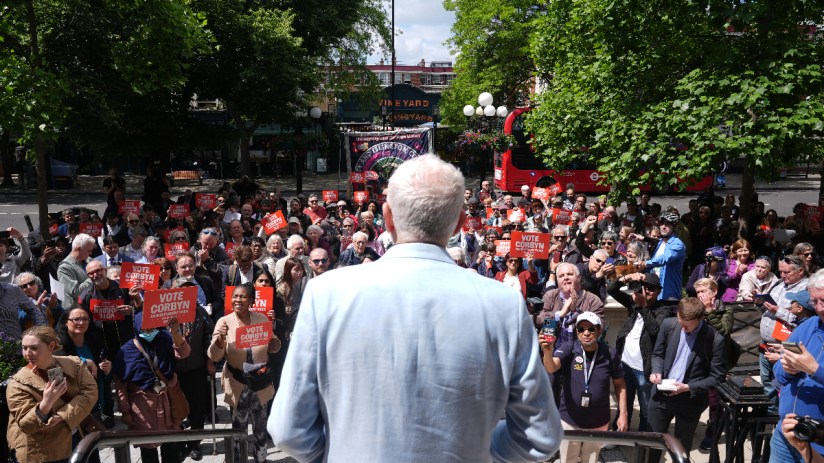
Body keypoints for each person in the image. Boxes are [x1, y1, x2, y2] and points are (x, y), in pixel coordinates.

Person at [268, 154, 561, 462]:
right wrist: (479, 448)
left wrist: (340, 450)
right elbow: (540, 436)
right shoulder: (504, 306)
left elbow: (289, 431)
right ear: (461, 222)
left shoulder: (325, 294)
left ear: (388, 216)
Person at [540, 312, 627, 463]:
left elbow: (620, 384)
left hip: (598, 422)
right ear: (576, 331)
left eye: (591, 329)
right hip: (570, 420)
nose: (586, 333)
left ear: (599, 331)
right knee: (568, 459)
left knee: (591, 460)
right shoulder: (569, 348)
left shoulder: (610, 353)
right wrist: (547, 351)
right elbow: (551, 367)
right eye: (581, 329)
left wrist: (623, 414)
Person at [647, 297, 726, 461]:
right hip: (661, 397)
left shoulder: (714, 339)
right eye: (680, 322)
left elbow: (717, 378)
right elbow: (657, 354)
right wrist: (656, 371)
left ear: (700, 319)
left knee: (681, 450)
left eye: (687, 325)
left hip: (689, 401)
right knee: (652, 445)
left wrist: (688, 387)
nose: (682, 328)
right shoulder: (669, 325)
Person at [209, 284, 281, 463]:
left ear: (251, 301)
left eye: (242, 297)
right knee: (238, 426)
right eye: (235, 296)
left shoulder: (261, 319)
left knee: (260, 425)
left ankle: (260, 458)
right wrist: (219, 341)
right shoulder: (224, 322)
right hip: (238, 382)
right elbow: (214, 355)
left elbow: (273, 345)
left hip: (260, 382)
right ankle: (237, 459)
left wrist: (275, 344)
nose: (238, 300)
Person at [6, 325, 98, 463]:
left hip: (76, 439)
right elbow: (26, 425)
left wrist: (61, 416)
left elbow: (90, 393)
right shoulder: (18, 383)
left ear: (51, 346)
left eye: (34, 348)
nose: (28, 353)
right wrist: (46, 403)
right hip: (41, 452)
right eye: (24, 348)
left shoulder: (74, 365)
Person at [113, 313, 190, 463]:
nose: (148, 332)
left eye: (151, 327)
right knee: (148, 450)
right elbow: (120, 383)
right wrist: (125, 411)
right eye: (144, 328)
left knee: (171, 447)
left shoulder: (165, 338)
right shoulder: (126, 350)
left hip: (167, 400)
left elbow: (184, 353)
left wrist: (175, 333)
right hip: (143, 407)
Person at [770, 269, 824, 463]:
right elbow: (778, 372)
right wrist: (787, 369)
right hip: (785, 433)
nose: (819, 308)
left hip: (818, 443)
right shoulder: (808, 325)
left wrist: (814, 369)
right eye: (814, 301)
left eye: (823, 301)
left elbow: (813, 369)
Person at [608, 272, 665, 432]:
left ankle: (643, 438)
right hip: (625, 363)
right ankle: (619, 432)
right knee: (623, 404)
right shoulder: (633, 305)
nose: (646, 291)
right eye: (644, 288)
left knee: (646, 408)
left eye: (651, 288)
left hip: (644, 369)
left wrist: (644, 306)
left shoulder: (663, 310)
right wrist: (627, 278)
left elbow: (655, 330)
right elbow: (612, 289)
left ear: (659, 291)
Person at [761, 254, 809, 408]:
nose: (782, 275)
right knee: (766, 381)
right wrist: (760, 301)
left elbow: (801, 319)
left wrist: (777, 311)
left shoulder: (805, 289)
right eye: (780, 271)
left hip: (786, 345)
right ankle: (769, 415)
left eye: (787, 272)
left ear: (800, 271)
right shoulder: (779, 284)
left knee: (783, 383)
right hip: (767, 342)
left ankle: (779, 417)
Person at [55, 307, 112, 428]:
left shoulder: (95, 341)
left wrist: (107, 370)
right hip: (73, 405)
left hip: (95, 403)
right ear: (66, 322)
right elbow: (57, 363)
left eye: (85, 319)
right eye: (76, 319)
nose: (81, 323)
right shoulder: (58, 344)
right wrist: (85, 362)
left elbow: (104, 378)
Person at [634, 211, 686, 301]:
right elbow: (654, 266)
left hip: (669, 293)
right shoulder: (661, 242)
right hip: (655, 291)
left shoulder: (678, 244)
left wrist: (645, 263)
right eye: (662, 223)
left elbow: (665, 259)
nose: (663, 226)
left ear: (674, 227)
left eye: (667, 224)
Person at [57, 233, 96, 305]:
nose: (90, 253)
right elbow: (75, 292)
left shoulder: (89, 260)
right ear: (78, 249)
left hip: (91, 305)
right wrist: (92, 278)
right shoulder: (64, 267)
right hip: (76, 309)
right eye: (88, 250)